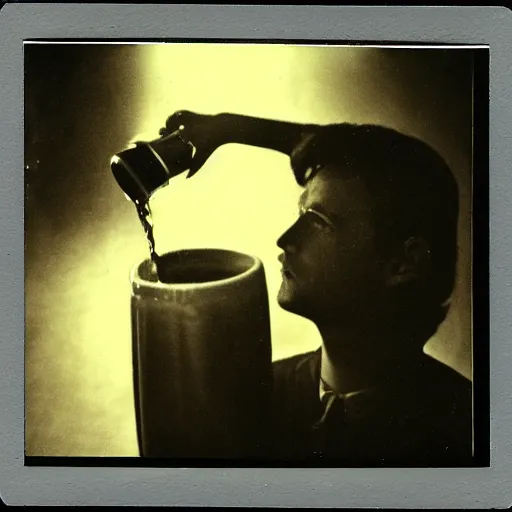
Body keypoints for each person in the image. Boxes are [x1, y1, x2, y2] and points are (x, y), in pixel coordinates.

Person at [160, 111, 473, 466]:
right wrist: (227, 127)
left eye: (319, 222)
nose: (285, 240)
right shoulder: (247, 402)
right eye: (301, 214)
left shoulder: (468, 431)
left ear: (404, 263)